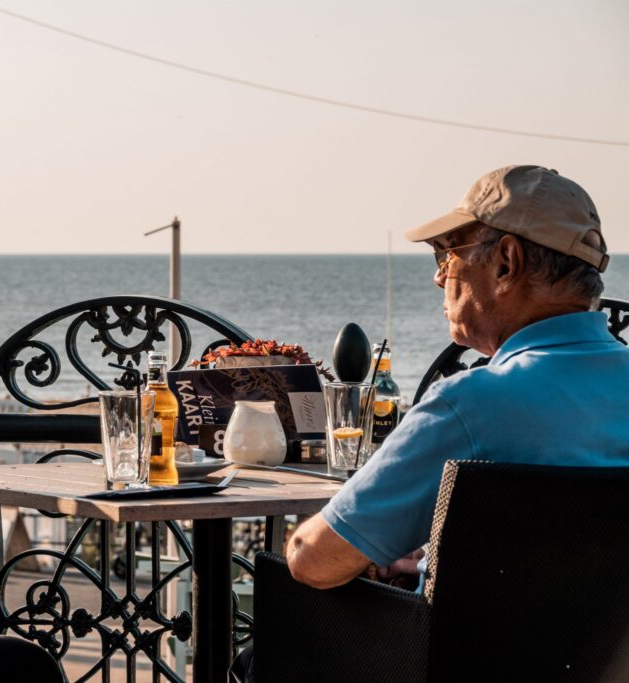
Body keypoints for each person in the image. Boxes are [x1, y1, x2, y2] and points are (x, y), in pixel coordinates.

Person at [232, 165, 627, 681]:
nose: (440, 276)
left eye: (449, 253)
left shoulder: (473, 404)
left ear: (506, 262)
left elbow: (315, 561)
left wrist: (337, 548)